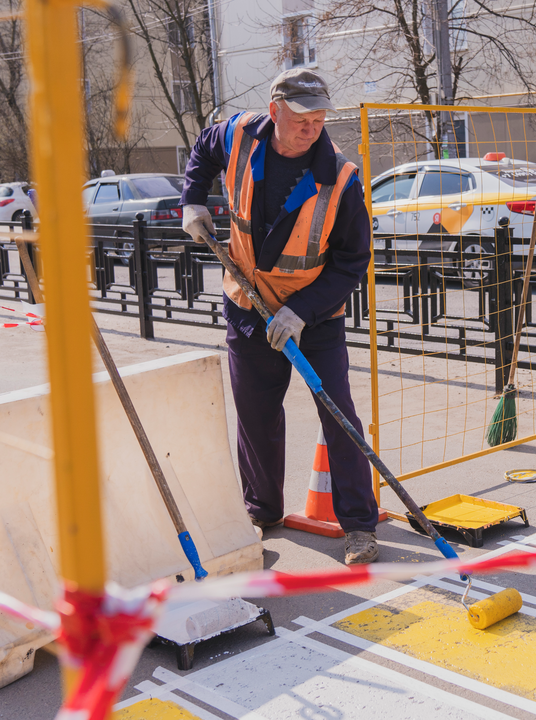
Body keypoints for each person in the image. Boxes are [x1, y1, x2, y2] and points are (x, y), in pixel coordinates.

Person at [179, 68, 380, 565]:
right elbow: (204, 149)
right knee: (256, 413)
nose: (312, 128)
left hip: (314, 315)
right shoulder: (241, 135)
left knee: (339, 416)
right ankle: (263, 512)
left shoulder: (340, 178)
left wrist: (301, 312)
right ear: (275, 112)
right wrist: (192, 199)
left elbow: (353, 261)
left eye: (319, 118)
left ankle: (359, 526)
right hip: (248, 304)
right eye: (301, 118)